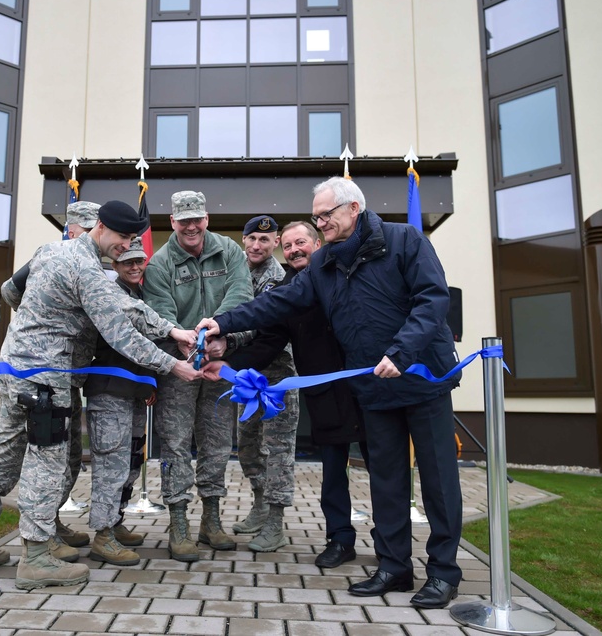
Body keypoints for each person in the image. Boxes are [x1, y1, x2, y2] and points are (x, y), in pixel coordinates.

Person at [197, 177, 463, 609]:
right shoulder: (323, 266)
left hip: (421, 380)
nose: (321, 224)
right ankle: (394, 567)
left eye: (326, 216)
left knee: (437, 482)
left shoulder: (405, 240)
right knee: (387, 482)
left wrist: (402, 350)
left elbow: (432, 300)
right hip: (374, 389)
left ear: (354, 209)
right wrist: (222, 324)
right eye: (317, 216)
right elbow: (278, 304)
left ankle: (444, 573)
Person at [0, 200, 201, 590]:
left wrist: (171, 330)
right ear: (103, 227)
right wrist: (173, 364)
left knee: (6, 448)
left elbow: (10, 291)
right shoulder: (86, 269)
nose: (127, 246)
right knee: (48, 460)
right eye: (124, 238)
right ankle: (37, 557)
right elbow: (120, 333)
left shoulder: (51, 251)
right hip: (46, 376)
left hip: (15, 367)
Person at [203, 220, 369, 568]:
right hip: (291, 385)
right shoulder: (281, 281)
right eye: (288, 246)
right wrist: (227, 365)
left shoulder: (329, 274)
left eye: (299, 243)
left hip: (346, 383)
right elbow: (269, 333)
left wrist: (227, 348)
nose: (293, 250)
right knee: (267, 451)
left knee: (373, 464)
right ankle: (323, 532)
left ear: (317, 241)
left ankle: (279, 522)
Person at [141, 190, 252, 561]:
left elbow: (241, 292)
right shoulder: (159, 264)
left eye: (197, 219)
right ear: (172, 222)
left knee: (218, 442)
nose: (191, 226)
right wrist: (187, 341)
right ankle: (177, 522)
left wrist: (218, 333)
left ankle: (212, 519)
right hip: (179, 366)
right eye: (183, 220)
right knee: (175, 443)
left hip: (219, 362)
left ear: (206, 219)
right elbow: (160, 313)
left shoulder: (229, 250)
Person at [0, 200, 101, 562]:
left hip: (55, 372)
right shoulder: (57, 256)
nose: (90, 237)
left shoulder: (82, 261)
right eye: (85, 230)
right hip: (44, 372)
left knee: (63, 455)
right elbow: (9, 290)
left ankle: (46, 523)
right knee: (45, 455)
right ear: (72, 230)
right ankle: (39, 542)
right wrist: (42, 324)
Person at [224, 215, 300, 553]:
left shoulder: (280, 280)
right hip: (245, 376)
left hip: (276, 376)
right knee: (248, 446)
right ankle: (260, 503)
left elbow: (261, 327)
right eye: (252, 238)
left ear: (277, 243)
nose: (257, 245)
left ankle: (275, 523)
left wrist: (225, 350)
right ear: (244, 240)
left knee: (277, 450)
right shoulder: (234, 271)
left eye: (265, 241)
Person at [82, 237, 156, 566]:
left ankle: (115, 521)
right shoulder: (110, 295)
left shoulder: (139, 294)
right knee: (111, 465)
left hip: (133, 392)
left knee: (129, 463)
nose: (135, 267)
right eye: (128, 262)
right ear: (115, 265)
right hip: (109, 392)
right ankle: (102, 535)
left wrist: (147, 385)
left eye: (139, 261)